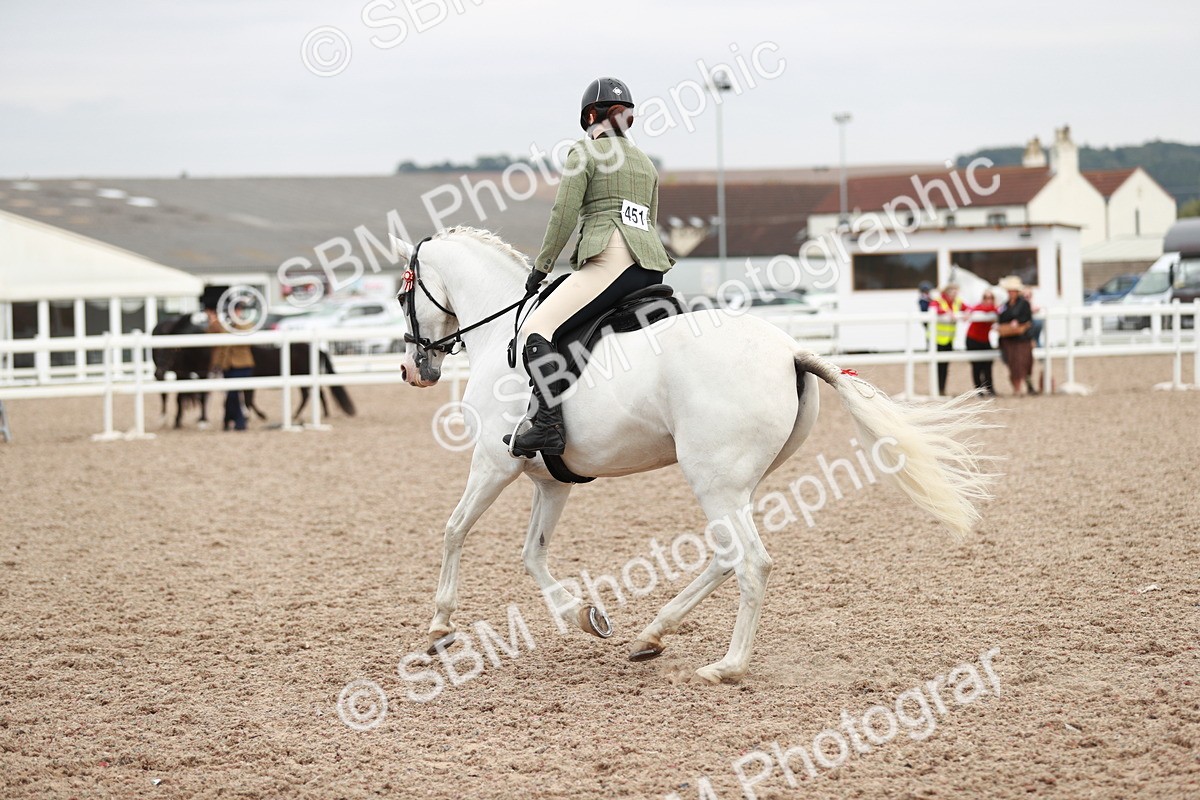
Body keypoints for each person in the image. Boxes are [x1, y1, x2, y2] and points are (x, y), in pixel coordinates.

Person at [506, 77, 674, 457]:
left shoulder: (584, 151)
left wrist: (542, 266)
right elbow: (650, 219)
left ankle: (548, 424)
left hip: (609, 260)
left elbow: (563, 214)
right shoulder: (646, 163)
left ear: (589, 117)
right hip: (648, 267)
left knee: (536, 326)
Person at [206, 305, 255, 430]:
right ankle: (229, 419)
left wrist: (236, 321)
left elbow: (246, 333)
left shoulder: (245, 323)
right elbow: (211, 332)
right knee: (230, 394)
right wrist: (213, 320)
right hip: (227, 365)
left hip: (242, 364)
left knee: (233, 394)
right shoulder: (225, 324)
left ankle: (239, 421)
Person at [996, 276, 1034, 396]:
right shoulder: (1005, 305)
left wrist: (1017, 321)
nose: (1011, 292)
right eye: (1009, 290)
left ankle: (1023, 386)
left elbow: (1027, 317)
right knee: (1012, 363)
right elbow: (1001, 318)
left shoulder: (1023, 304)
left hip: (1021, 338)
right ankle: (1017, 388)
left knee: (1023, 362)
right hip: (1008, 339)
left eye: (1013, 290)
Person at [964, 289, 998, 395]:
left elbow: (1000, 311)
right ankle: (978, 390)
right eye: (986, 298)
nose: (988, 300)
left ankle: (989, 388)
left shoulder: (994, 309)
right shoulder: (978, 308)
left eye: (991, 298)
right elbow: (972, 309)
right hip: (973, 339)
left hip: (985, 340)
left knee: (988, 364)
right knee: (976, 365)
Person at [933, 283, 963, 395]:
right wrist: (947, 312)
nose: (955, 294)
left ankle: (942, 389)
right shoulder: (938, 301)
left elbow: (968, 307)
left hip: (949, 339)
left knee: (945, 366)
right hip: (937, 339)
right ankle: (938, 388)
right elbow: (934, 308)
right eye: (953, 291)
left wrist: (968, 313)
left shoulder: (957, 302)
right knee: (939, 366)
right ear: (947, 292)